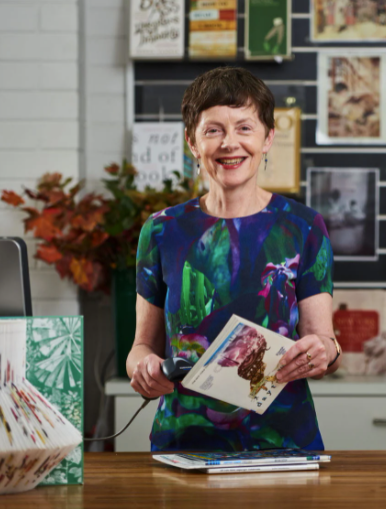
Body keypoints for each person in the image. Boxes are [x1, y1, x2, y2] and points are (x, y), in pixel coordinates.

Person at [128, 67, 341, 451]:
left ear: (267, 138)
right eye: (213, 130)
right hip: (184, 443)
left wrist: (324, 352)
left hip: (283, 443)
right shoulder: (162, 230)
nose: (230, 143)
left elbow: (324, 342)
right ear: (193, 142)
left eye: (244, 128)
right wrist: (143, 369)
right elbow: (142, 347)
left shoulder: (304, 227)